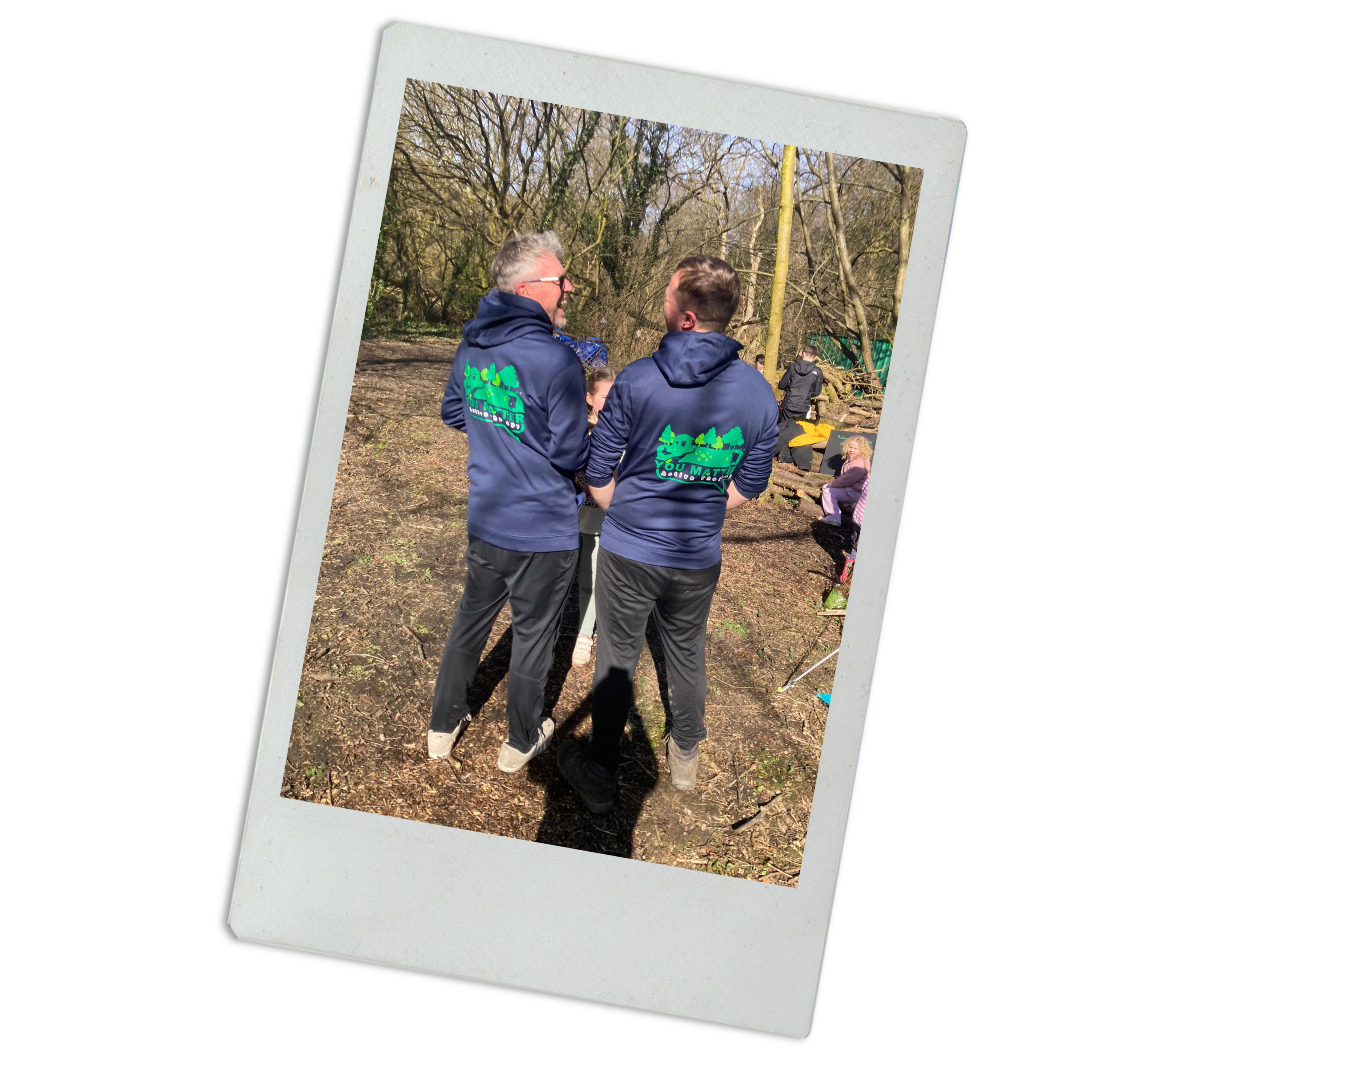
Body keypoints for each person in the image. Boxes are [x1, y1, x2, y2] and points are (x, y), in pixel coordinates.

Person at [555, 255, 779, 812]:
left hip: (630, 549)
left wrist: (624, 510)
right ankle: (685, 758)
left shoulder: (637, 378)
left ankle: (601, 773)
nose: (662, 296)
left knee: (617, 657)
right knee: (686, 653)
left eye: (668, 291)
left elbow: (598, 469)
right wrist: (704, 505)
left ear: (685, 316)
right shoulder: (758, 393)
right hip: (697, 556)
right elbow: (749, 485)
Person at [429, 231, 589, 773]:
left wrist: (499, 423)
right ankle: (521, 740)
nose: (568, 288)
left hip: (487, 517)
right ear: (527, 289)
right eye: (560, 280)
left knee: (469, 623)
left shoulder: (474, 343)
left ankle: (442, 725)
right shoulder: (557, 362)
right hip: (542, 530)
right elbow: (570, 451)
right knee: (534, 636)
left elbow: (456, 411)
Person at [572, 365, 616, 667]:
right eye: (605, 396)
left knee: (591, 576)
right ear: (589, 397)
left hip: (600, 520)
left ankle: (584, 634)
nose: (611, 402)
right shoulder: (575, 427)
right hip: (568, 515)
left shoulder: (624, 430)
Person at [775, 345, 824, 463]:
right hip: (803, 406)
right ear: (815, 357)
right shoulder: (817, 371)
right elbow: (817, 392)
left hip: (789, 404)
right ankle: (787, 457)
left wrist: (791, 387)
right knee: (796, 431)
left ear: (803, 353)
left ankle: (776, 453)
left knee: (783, 428)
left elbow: (782, 385)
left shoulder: (793, 367)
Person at [819, 436, 872, 526]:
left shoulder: (859, 463)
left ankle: (833, 517)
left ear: (862, 450)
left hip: (855, 492)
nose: (851, 450)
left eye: (855, 448)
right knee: (826, 487)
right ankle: (847, 504)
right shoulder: (853, 459)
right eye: (850, 447)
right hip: (852, 489)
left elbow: (846, 480)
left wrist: (832, 484)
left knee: (828, 492)